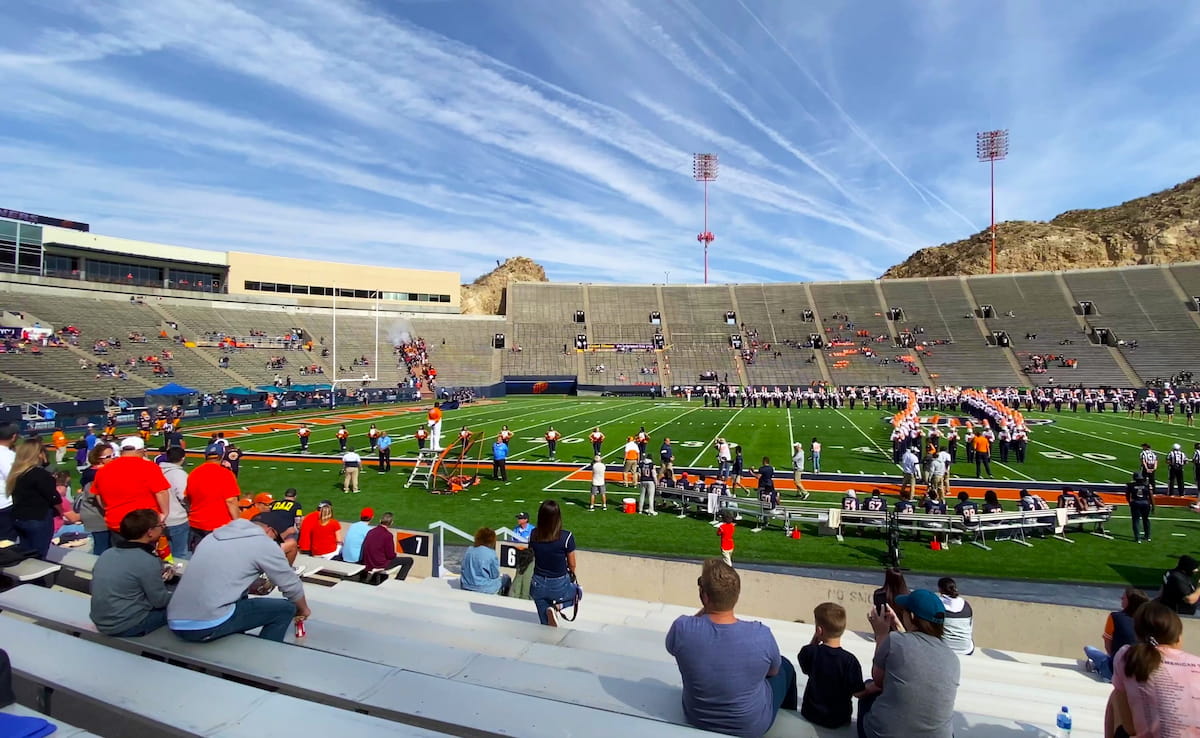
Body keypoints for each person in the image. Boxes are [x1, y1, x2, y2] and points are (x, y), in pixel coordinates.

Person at [665, 559, 797, 737]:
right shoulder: (761, 635)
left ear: (705, 596)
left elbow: (673, 646)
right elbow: (773, 672)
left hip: (697, 717)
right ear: (736, 595)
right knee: (785, 666)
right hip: (751, 727)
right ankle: (791, 715)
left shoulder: (681, 629)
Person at [167, 515, 310, 643]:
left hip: (174, 619)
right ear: (270, 531)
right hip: (204, 625)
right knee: (286, 609)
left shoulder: (211, 537)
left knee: (241, 598)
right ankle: (265, 658)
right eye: (276, 539)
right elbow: (291, 586)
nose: (276, 544)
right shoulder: (264, 544)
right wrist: (303, 610)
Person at [858, 590, 960, 738]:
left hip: (883, 733)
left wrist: (881, 635)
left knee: (869, 690)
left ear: (911, 616)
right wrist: (902, 629)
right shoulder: (952, 658)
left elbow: (878, 680)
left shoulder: (894, 640)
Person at [1109, 600, 1200, 737]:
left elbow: (1129, 728)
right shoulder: (1196, 662)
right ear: (1178, 637)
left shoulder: (1127, 655)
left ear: (1137, 635)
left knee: (1115, 696)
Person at [89, 509, 174, 637]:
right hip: (126, 624)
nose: (163, 528)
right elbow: (160, 601)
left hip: (101, 620)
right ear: (150, 532)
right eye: (160, 525)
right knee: (182, 608)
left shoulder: (108, 553)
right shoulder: (146, 559)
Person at [90, 436, 170, 547]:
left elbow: (99, 497)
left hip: (116, 522)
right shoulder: (149, 467)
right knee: (149, 555)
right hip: (144, 524)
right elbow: (161, 492)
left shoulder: (103, 470)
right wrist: (164, 513)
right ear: (140, 451)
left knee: (121, 554)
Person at [798, 602, 866, 729]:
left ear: (819, 630)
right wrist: (874, 687)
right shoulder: (850, 661)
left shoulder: (810, 652)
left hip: (810, 713)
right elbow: (858, 693)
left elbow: (805, 665)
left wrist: (816, 638)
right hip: (838, 719)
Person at [9, 439, 77, 557]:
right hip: (38, 519)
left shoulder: (16, 473)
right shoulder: (40, 474)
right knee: (39, 554)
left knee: (26, 552)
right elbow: (54, 497)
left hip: (19, 518)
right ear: (38, 454)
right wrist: (61, 512)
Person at [1083, 587, 1149, 682]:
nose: (1121, 598)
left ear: (1130, 602)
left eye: (1124, 597)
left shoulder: (1114, 617)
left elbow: (1108, 645)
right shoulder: (1148, 622)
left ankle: (1099, 667)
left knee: (1089, 649)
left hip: (1113, 671)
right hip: (1138, 673)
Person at [528, 500, 577, 626]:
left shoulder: (533, 534)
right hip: (558, 583)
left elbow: (532, 553)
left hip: (537, 582)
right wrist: (571, 574)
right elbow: (572, 564)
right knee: (578, 592)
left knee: (544, 623)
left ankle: (551, 612)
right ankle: (558, 607)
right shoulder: (566, 537)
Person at [184, 447, 240, 552]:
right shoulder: (226, 474)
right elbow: (231, 501)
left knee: (199, 556)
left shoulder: (194, 473)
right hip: (219, 525)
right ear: (222, 456)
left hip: (196, 524)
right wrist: (238, 522)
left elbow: (187, 498)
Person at [360, 512, 414, 583]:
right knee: (409, 560)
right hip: (379, 563)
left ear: (380, 521)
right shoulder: (388, 535)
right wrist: (394, 555)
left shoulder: (370, 531)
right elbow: (390, 555)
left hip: (369, 562)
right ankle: (398, 581)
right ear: (391, 523)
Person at [157, 446, 191, 560]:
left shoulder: (157, 471)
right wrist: (190, 509)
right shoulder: (179, 474)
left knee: (165, 554)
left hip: (160, 519)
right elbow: (184, 497)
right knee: (180, 554)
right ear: (183, 458)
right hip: (177, 519)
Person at [461, 527, 511, 595]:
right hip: (483, 588)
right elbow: (494, 575)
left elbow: (463, 568)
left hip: (466, 585)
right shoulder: (491, 554)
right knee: (506, 578)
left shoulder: (469, 550)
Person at [937, 577, 974, 656]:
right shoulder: (966, 605)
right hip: (965, 648)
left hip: (944, 647)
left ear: (940, 589)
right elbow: (970, 626)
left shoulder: (937, 604)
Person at [0, 422, 19, 543]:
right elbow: (14, 479)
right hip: (4, 504)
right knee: (6, 542)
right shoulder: (7, 455)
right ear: (13, 436)